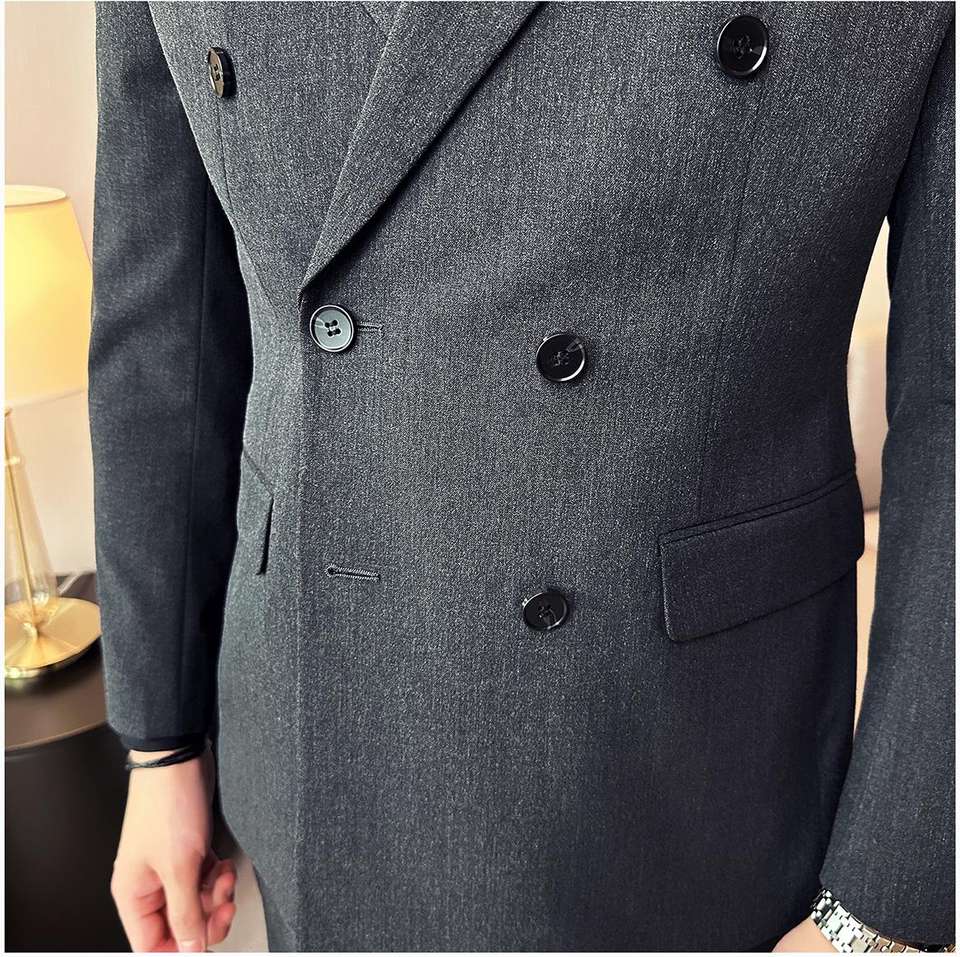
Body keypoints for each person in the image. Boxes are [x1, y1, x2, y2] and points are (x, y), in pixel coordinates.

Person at [89, 2, 955, 952]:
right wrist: (161, 739)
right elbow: (163, 316)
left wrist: (879, 908)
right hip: (323, 723)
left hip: (673, 772)